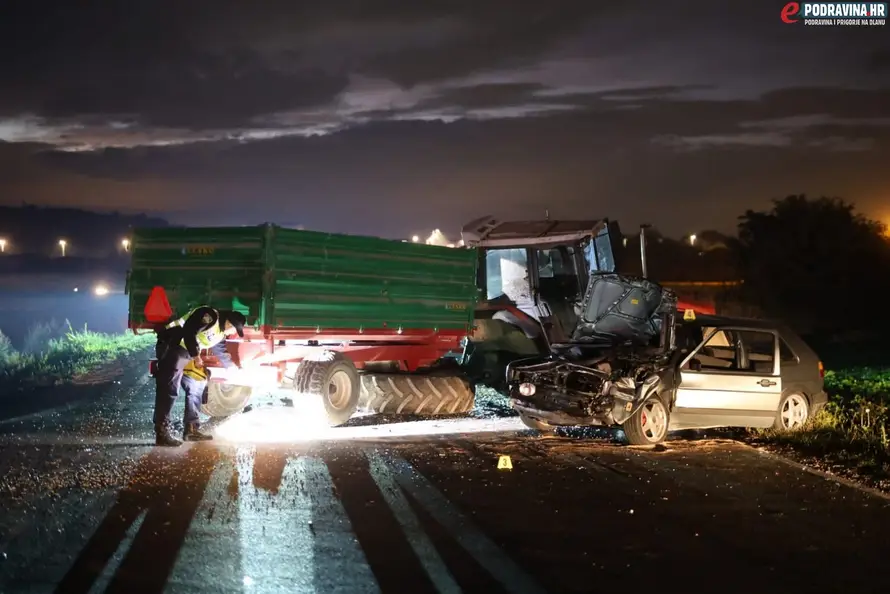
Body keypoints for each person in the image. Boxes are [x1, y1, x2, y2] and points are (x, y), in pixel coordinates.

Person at [152, 306, 246, 446]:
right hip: (172, 345)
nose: (233, 333)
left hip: (186, 354)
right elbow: (189, 332)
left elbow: (219, 349)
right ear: (229, 323)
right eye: (234, 329)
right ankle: (162, 433)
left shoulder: (220, 332)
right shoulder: (209, 315)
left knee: (197, 383)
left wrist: (231, 367)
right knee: (169, 389)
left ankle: (191, 429)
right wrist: (196, 356)